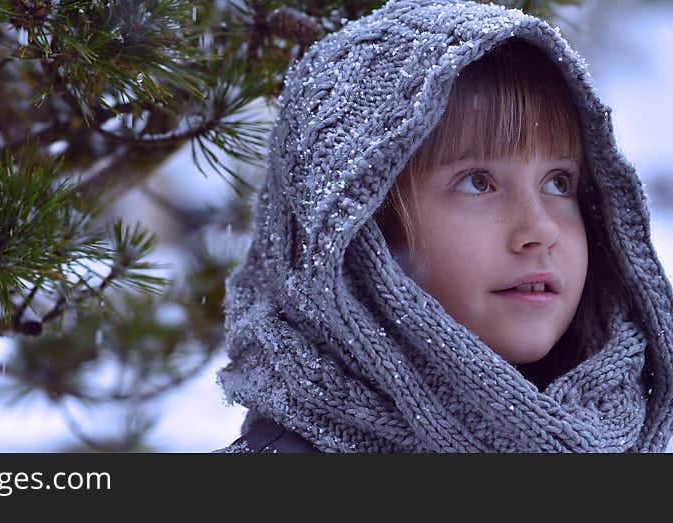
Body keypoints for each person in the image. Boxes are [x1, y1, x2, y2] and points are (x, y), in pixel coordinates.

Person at [214, 0, 673, 452]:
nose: (541, 229)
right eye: (478, 182)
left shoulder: (619, 433)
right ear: (359, 234)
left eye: (558, 183)